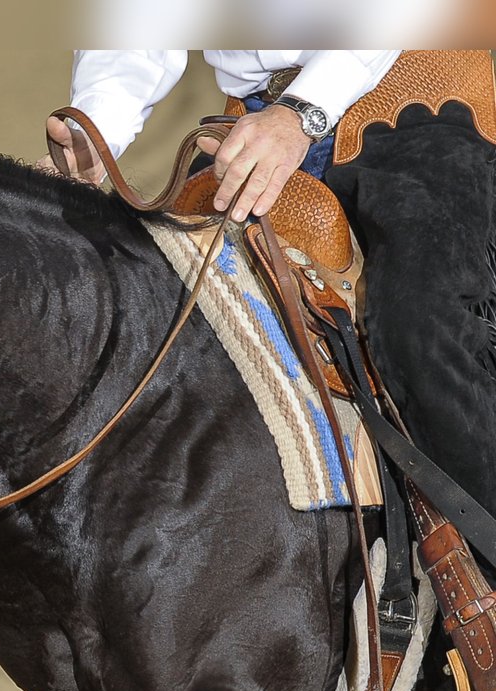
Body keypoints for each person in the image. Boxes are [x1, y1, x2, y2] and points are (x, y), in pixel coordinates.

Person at [42, 51, 496, 584]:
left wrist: (303, 113)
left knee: (424, 328)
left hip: (417, 97)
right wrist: (102, 123)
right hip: (252, 125)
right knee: (146, 320)